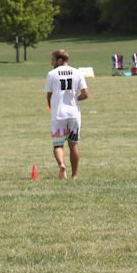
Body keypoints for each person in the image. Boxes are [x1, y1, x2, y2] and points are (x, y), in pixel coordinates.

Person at [44, 49, 89, 179]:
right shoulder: (78, 72)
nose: (51, 62)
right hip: (74, 113)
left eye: (53, 60)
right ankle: (74, 175)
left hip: (59, 114)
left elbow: (49, 95)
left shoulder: (52, 74)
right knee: (73, 144)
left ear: (59, 60)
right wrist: (75, 99)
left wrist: (51, 107)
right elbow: (85, 94)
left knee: (58, 144)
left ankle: (62, 165)